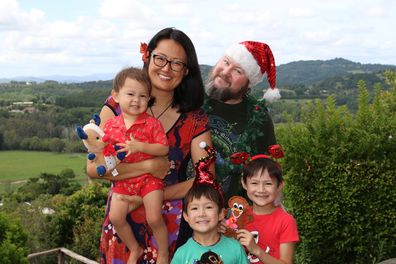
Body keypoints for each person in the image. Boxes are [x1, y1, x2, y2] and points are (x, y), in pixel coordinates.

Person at [86, 27, 213, 264]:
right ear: (148, 57)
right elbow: (94, 168)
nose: (166, 68)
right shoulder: (117, 105)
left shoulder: (195, 120)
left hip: (167, 223)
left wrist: (152, 195)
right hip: (121, 219)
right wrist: (150, 165)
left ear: (186, 71)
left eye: (176, 63)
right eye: (160, 58)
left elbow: (206, 178)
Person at [103, 67, 169, 264]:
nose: (136, 100)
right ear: (116, 95)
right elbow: (105, 154)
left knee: (155, 218)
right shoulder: (110, 126)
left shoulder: (152, 124)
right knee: (115, 217)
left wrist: (140, 146)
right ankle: (135, 248)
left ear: (149, 99)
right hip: (123, 181)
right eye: (130, 94)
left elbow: (163, 149)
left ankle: (163, 253)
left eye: (142, 96)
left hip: (149, 180)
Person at [204, 41, 280, 201]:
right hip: (186, 214)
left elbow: (267, 176)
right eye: (226, 62)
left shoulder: (258, 117)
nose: (225, 72)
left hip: (236, 217)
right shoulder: (191, 102)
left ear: (248, 84)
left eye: (237, 70)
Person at [171, 143, 248, 264]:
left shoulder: (235, 249)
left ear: (221, 213)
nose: (201, 213)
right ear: (186, 216)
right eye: (195, 208)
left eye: (208, 207)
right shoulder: (182, 255)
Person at [230, 152, 299, 264]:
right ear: (244, 184)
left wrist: (256, 249)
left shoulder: (286, 221)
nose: (261, 189)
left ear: (279, 186)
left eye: (268, 183)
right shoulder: (239, 217)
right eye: (254, 183)